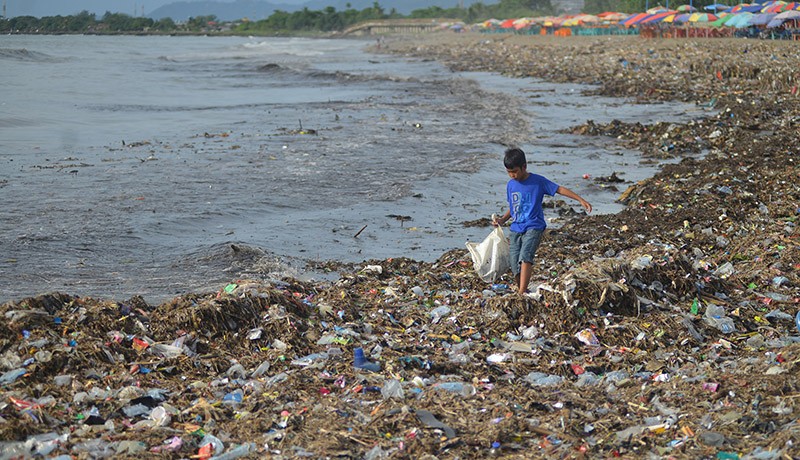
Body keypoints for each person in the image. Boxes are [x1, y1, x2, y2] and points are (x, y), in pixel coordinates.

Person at [492, 147, 592, 295]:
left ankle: (521, 291)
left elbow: (559, 189)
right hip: (516, 228)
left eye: (514, 171)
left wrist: (580, 200)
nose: (512, 175)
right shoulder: (511, 185)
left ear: (524, 167)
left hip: (534, 226)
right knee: (514, 262)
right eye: (509, 172)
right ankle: (522, 288)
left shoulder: (538, 181)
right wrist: (502, 220)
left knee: (525, 256)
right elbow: (514, 207)